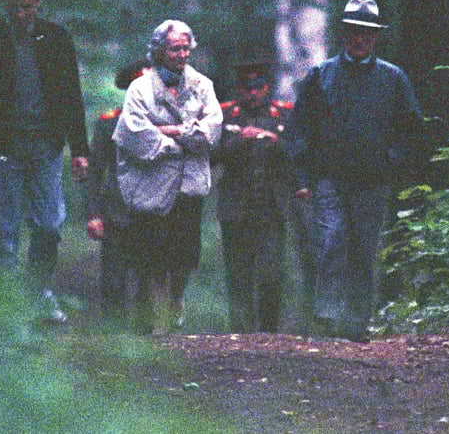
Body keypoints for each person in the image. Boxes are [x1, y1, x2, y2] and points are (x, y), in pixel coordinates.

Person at [287, 0, 423, 343]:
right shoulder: (321, 76)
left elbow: (412, 128)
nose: (358, 39)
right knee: (331, 239)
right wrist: (303, 178)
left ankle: (357, 321)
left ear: (375, 38)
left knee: (364, 248)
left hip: (372, 180)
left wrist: (391, 160)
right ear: (343, 34)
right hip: (329, 177)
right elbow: (299, 129)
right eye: (352, 32)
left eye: (365, 33)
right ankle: (328, 315)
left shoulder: (393, 78)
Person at [0, 0, 90, 321]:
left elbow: (70, 95)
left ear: (37, 5)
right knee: (5, 230)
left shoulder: (56, 40)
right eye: (16, 8)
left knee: (48, 225)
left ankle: (38, 294)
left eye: (28, 7)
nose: (22, 15)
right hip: (3, 148)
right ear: (6, 6)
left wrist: (79, 149)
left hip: (45, 145)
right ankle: (7, 308)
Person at [112, 20, 222, 336]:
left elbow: (211, 131)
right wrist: (180, 141)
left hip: (189, 183)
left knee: (185, 255)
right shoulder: (140, 88)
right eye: (175, 48)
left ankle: (176, 300)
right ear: (160, 49)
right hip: (151, 184)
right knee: (155, 254)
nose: (182, 54)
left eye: (186, 47)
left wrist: (173, 131)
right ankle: (159, 323)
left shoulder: (203, 85)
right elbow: (134, 132)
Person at [214, 60, 296, 333]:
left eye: (258, 87)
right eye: (247, 88)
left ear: (267, 87)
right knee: (238, 272)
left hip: (271, 205)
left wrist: (273, 141)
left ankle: (270, 330)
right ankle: (241, 331)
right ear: (239, 89)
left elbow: (299, 153)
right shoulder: (225, 114)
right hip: (236, 205)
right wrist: (241, 140)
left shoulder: (284, 114)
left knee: (271, 272)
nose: (253, 93)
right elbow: (210, 156)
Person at [86, 58, 152, 331]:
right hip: (117, 212)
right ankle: (111, 340)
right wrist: (93, 214)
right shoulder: (108, 124)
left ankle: (144, 342)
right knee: (113, 280)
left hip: (154, 213)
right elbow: (95, 171)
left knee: (147, 281)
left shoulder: (167, 123)